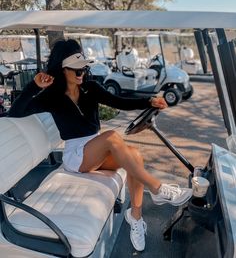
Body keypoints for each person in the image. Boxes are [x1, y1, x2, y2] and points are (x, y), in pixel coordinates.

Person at [8, 39, 192, 252]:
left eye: (84, 68)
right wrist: (33, 86)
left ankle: (135, 218)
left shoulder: (91, 88)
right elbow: (16, 112)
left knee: (134, 156)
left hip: (97, 150)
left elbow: (119, 101)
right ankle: (158, 189)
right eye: (76, 69)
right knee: (112, 137)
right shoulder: (51, 96)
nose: (81, 73)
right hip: (76, 155)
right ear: (62, 69)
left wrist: (148, 101)